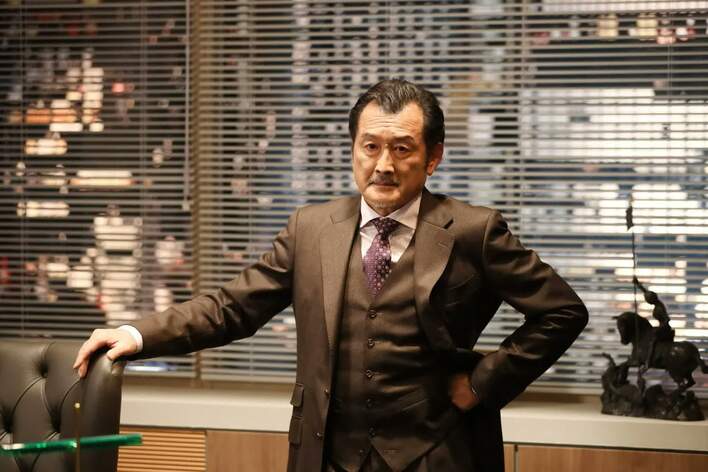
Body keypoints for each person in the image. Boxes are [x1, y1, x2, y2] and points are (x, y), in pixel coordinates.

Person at [74, 79, 588, 472]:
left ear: (433, 157)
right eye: (370, 146)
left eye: (402, 148)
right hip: (327, 455)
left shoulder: (474, 230)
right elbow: (233, 308)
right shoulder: (311, 228)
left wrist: (482, 382)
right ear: (353, 150)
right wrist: (136, 335)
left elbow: (562, 311)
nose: (383, 165)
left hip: (438, 454)